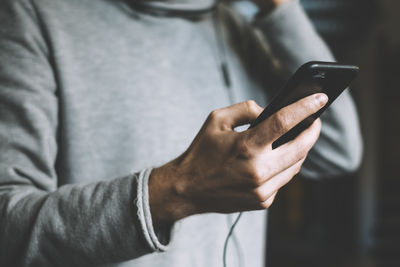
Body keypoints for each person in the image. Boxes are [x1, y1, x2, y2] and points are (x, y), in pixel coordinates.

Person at [0, 0, 362, 266]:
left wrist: (280, 10)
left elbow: (337, 150)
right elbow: (7, 229)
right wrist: (175, 188)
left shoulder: (240, 26)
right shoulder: (31, 15)